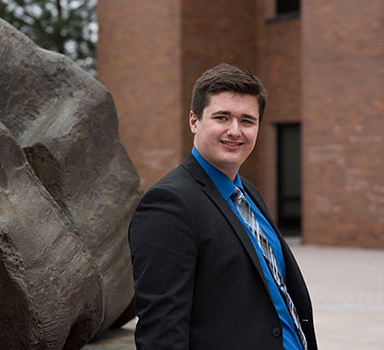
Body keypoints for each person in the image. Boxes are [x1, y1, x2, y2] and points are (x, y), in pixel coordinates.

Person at [128, 63, 317, 350]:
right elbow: (161, 332)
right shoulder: (168, 205)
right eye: (222, 117)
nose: (234, 130)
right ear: (194, 121)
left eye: (247, 121)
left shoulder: (248, 192)